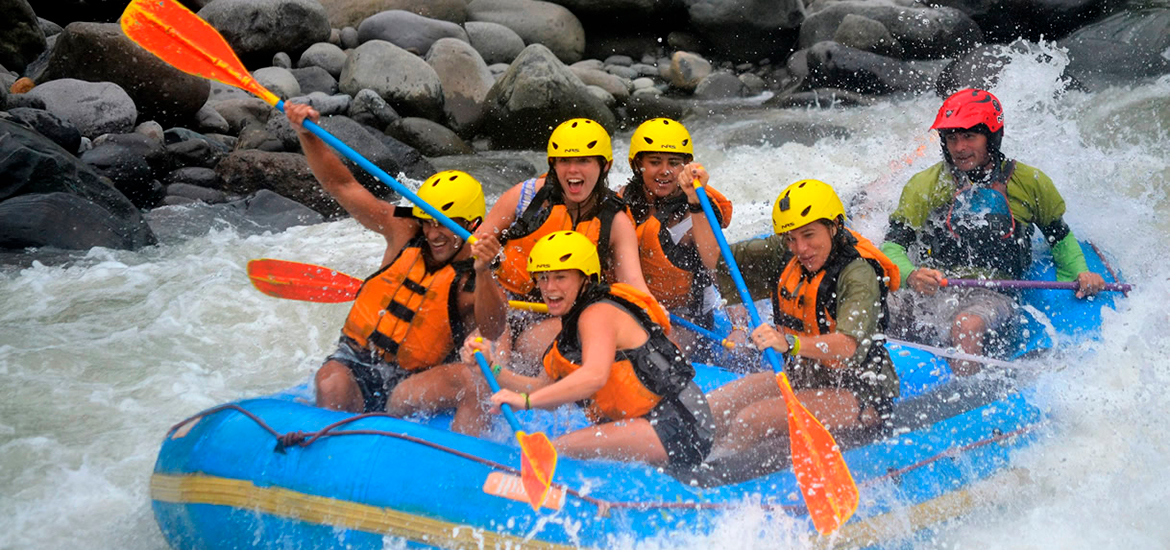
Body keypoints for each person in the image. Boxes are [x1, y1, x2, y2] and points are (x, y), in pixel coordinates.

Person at [286, 103, 507, 434]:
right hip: (357, 360)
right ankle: (329, 448)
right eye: (427, 222)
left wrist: (484, 271)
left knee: (474, 380)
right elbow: (342, 186)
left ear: (472, 225)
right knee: (331, 383)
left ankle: (460, 455)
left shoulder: (475, 270)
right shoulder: (402, 231)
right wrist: (307, 135)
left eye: (444, 225)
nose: (433, 234)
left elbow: (493, 327)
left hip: (411, 382)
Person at [879, 88, 1106, 375]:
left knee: (967, 324)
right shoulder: (924, 185)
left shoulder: (1030, 182)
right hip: (934, 292)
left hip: (995, 296)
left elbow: (1059, 237)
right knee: (873, 304)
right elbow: (893, 246)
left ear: (992, 137)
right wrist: (911, 275)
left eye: (969, 137)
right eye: (952, 138)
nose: (959, 147)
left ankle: (965, 388)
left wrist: (1081, 274)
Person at [468, 230, 715, 466]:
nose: (549, 288)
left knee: (555, 449)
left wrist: (525, 401)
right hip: (647, 423)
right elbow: (543, 390)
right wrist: (493, 367)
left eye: (560, 277)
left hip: (682, 423)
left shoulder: (598, 313)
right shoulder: (567, 335)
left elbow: (594, 376)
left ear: (585, 278)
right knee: (559, 448)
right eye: (543, 278)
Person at [704, 179, 900, 456]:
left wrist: (790, 343)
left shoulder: (858, 274)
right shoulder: (787, 250)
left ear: (834, 226)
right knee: (711, 408)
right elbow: (714, 258)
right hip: (804, 377)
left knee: (749, 420)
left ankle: (715, 472)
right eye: (791, 238)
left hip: (859, 393)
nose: (801, 248)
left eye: (809, 235)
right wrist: (694, 204)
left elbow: (848, 345)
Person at [475, 118, 648, 363]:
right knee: (492, 356)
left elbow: (635, 288)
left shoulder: (615, 221)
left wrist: (653, 317)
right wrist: (484, 254)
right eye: (564, 161)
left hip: (562, 315)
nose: (573, 170)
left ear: (605, 166)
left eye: (584, 161)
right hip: (506, 306)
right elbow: (475, 250)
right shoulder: (526, 198)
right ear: (553, 165)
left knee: (527, 347)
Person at [619, 118, 733, 357]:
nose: (665, 171)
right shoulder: (622, 201)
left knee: (657, 354)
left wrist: (740, 328)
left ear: (686, 167)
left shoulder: (693, 212)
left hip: (685, 318)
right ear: (637, 164)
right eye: (654, 162)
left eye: (674, 163)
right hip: (634, 310)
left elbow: (718, 268)